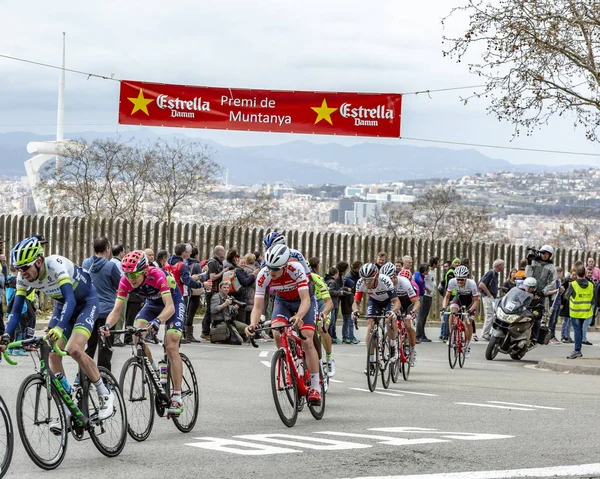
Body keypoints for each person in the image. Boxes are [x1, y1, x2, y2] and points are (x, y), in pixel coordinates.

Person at [0, 237, 115, 422]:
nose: (21, 272)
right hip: (63, 306)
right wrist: (6, 335)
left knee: (74, 349)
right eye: (18, 268)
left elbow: (71, 298)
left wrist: (60, 327)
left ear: (38, 261)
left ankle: (105, 392)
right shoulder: (23, 278)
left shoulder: (56, 265)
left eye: (25, 267)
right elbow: (15, 310)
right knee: (52, 353)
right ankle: (68, 401)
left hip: (85, 303)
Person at [101, 250, 186, 415]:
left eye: (134, 276)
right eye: (128, 275)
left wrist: (157, 322)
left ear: (145, 271)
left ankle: (177, 396)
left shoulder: (157, 274)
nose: (131, 280)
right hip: (152, 306)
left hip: (172, 304)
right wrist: (106, 325)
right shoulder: (125, 281)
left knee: (171, 344)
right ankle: (154, 368)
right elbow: (116, 310)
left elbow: (169, 307)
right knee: (136, 335)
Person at [247, 245, 322, 405]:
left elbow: (306, 300)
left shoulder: (296, 269)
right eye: (269, 267)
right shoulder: (263, 274)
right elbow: (258, 306)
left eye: (276, 269)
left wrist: (299, 316)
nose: (271, 272)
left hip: (302, 302)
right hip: (283, 302)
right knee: (276, 331)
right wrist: (253, 324)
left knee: (307, 340)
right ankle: (288, 360)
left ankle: (316, 387)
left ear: (285, 266)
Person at [351, 263, 401, 373]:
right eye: (365, 279)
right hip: (374, 301)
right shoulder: (360, 283)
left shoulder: (385, 281)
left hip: (389, 301)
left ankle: (393, 346)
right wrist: (355, 311)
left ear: (376, 277)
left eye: (370, 280)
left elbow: (396, 302)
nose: (367, 283)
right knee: (370, 324)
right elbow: (356, 302)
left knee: (389, 319)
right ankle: (371, 361)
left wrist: (392, 312)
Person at [82, 237, 122, 370]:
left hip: (90, 309)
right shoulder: (110, 266)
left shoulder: (86, 263)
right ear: (107, 249)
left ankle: (84, 374)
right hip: (107, 311)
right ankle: (104, 377)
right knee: (105, 345)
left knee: (90, 344)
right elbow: (120, 284)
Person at [381, 262, 419, 364]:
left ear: (394, 276)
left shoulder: (404, 282)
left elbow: (416, 302)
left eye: (389, 280)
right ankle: (392, 346)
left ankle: (412, 349)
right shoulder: (386, 285)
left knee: (408, 324)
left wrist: (412, 313)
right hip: (395, 303)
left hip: (408, 303)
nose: (387, 283)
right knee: (389, 320)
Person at [442, 265, 479, 358]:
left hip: (469, 301)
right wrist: (443, 308)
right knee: (452, 312)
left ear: (466, 278)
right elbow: (446, 297)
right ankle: (452, 335)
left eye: (462, 279)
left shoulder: (472, 283)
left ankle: (467, 345)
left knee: (468, 323)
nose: (459, 281)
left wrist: (470, 311)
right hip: (458, 298)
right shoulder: (452, 281)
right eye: (458, 279)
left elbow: (476, 301)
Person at [525, 245, 557, 344]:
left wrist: (542, 292)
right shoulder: (534, 262)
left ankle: (535, 336)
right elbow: (528, 276)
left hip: (541, 294)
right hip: (529, 291)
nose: (544, 256)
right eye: (543, 253)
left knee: (537, 315)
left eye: (547, 254)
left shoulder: (551, 268)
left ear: (550, 256)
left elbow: (553, 283)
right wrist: (529, 264)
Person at [565, 264, 595, 359]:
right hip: (586, 312)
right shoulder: (590, 285)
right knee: (581, 330)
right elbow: (592, 298)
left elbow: (566, 296)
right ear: (585, 273)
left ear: (576, 273)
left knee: (577, 330)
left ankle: (577, 350)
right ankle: (579, 349)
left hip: (575, 312)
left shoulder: (573, 285)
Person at [480, 259, 505, 341]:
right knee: (489, 315)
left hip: (491, 297)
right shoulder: (491, 273)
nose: (504, 267)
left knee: (492, 315)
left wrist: (497, 288)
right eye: (503, 265)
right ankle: (485, 334)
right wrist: (489, 294)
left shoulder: (495, 274)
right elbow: (482, 284)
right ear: (499, 266)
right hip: (488, 297)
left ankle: (487, 332)